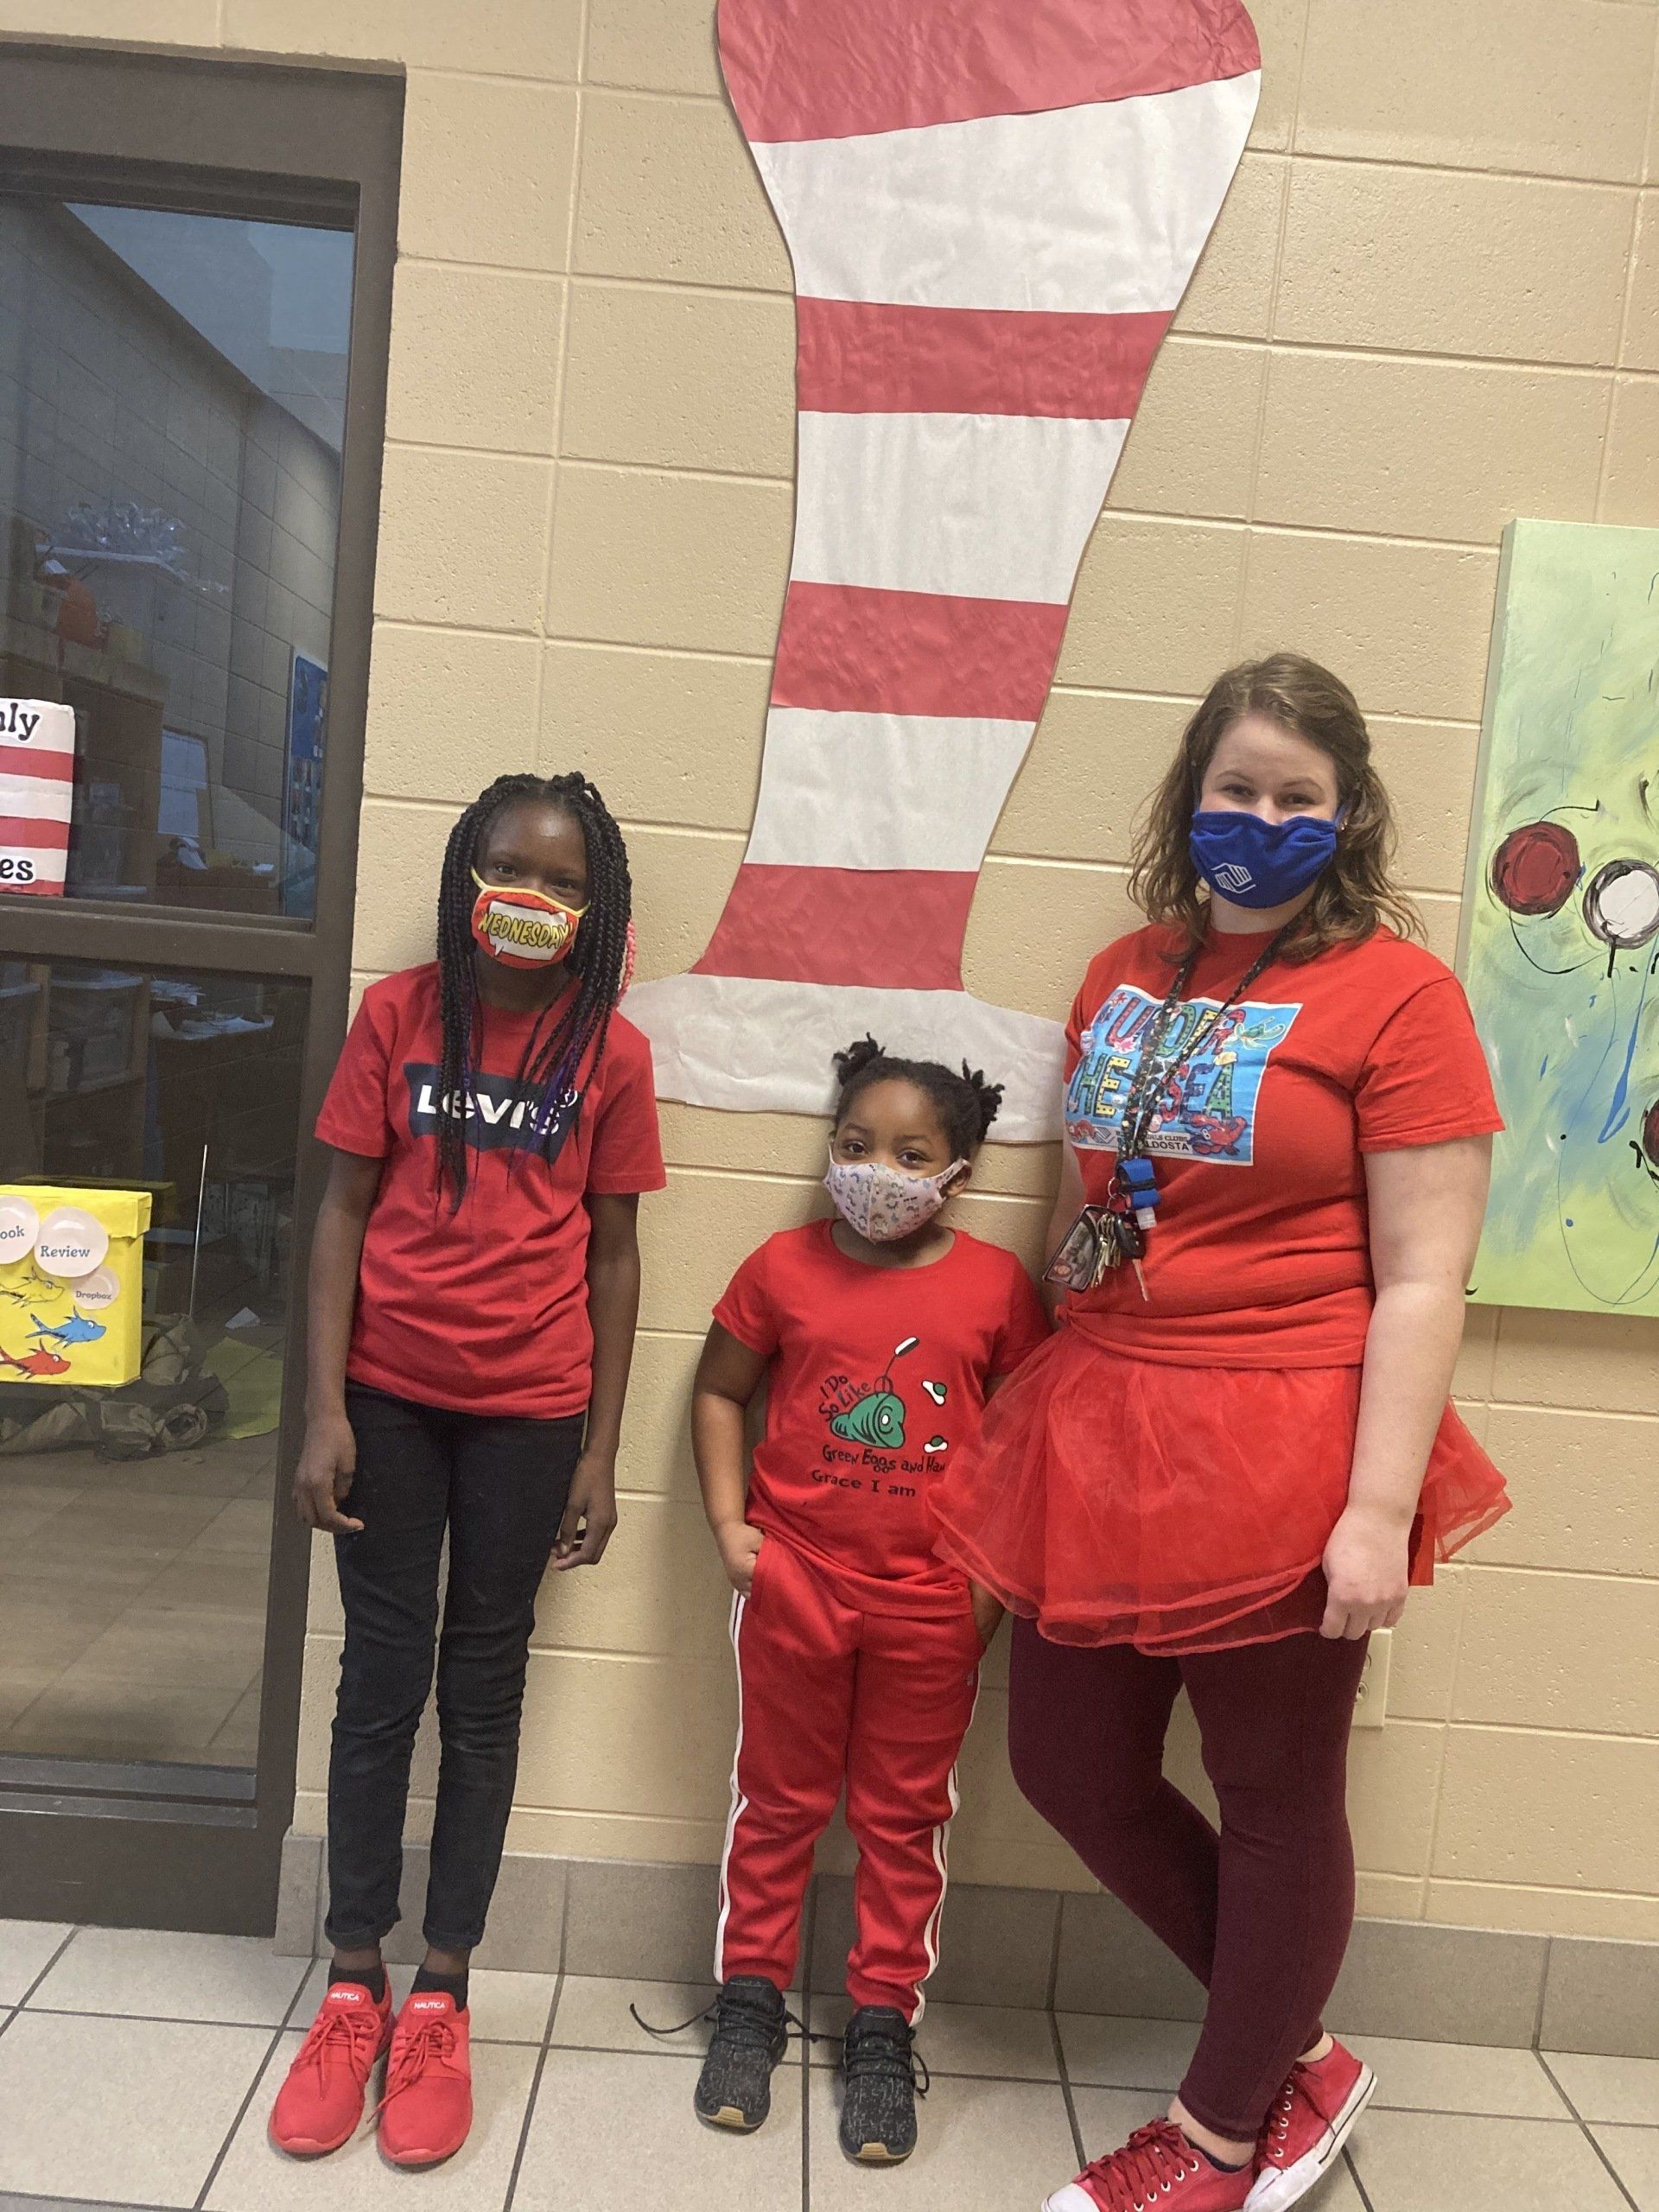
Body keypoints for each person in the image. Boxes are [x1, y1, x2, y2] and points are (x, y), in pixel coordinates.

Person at [931, 655, 1510, 2212]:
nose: (1262, 818)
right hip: (1104, 1414)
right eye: (1239, 787)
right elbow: (1083, 1206)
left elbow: (1424, 1279)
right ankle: (1293, 2051)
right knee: (1065, 1761)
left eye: (1298, 797)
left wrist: (1378, 1510)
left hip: (1287, 1439)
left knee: (1272, 1790)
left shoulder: (1403, 995)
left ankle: (1214, 2131)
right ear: (1195, 795)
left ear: (1351, 814)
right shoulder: (1127, 966)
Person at [268, 772, 664, 2169]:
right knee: (379, 1683)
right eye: (509, 868)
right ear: (465, 872)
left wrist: (602, 1449)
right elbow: (340, 1212)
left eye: (562, 883)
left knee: (482, 1689)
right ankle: (354, 1979)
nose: (532, 899)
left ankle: (443, 1990)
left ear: (596, 907)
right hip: (385, 1403)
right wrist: (322, 1409)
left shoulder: (607, 1053)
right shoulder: (398, 1015)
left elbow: (615, 1257)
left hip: (529, 1418)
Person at [689, 1039, 1050, 2163]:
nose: (875, 1169)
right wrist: (732, 1530)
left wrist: (987, 1590)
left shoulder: (996, 1288)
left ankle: (884, 2024)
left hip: (934, 1607)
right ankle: (751, 2000)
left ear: (961, 1170)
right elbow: (718, 1390)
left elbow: (1033, 1437)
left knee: (904, 1820)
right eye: (855, 1146)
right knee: (779, 1803)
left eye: (908, 1153)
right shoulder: (780, 1267)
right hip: (795, 1585)